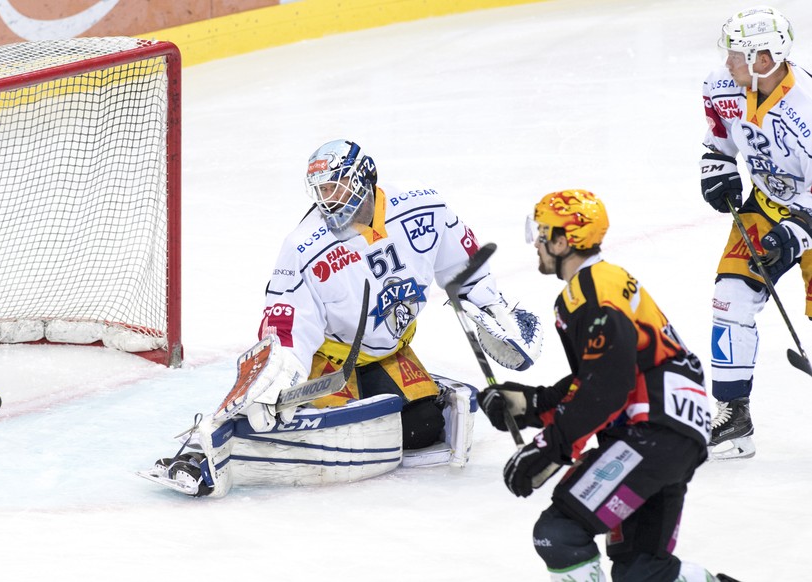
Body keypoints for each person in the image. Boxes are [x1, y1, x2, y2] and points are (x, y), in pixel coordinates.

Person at [141, 139, 544, 496]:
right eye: (320, 191)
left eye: (336, 186)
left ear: (364, 179)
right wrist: (278, 371)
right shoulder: (304, 246)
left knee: (424, 428)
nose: (328, 199)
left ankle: (370, 397)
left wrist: (490, 307)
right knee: (297, 429)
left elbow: (465, 264)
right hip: (328, 358)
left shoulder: (425, 208)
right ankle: (201, 446)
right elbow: (286, 322)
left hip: (388, 350)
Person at [477, 190, 739, 581]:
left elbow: (607, 388)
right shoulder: (606, 282)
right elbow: (602, 377)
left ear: (565, 240)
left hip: (649, 434)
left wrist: (552, 446)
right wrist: (529, 405)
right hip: (675, 433)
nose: (537, 242)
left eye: (543, 232)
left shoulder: (592, 291)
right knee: (642, 571)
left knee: (559, 534)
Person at [698, 5, 812, 460]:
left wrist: (795, 235)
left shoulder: (808, 109)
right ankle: (733, 416)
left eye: (737, 54)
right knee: (730, 298)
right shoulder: (721, 84)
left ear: (765, 59)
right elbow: (719, 139)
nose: (728, 62)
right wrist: (718, 167)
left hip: (806, 212)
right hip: (764, 207)